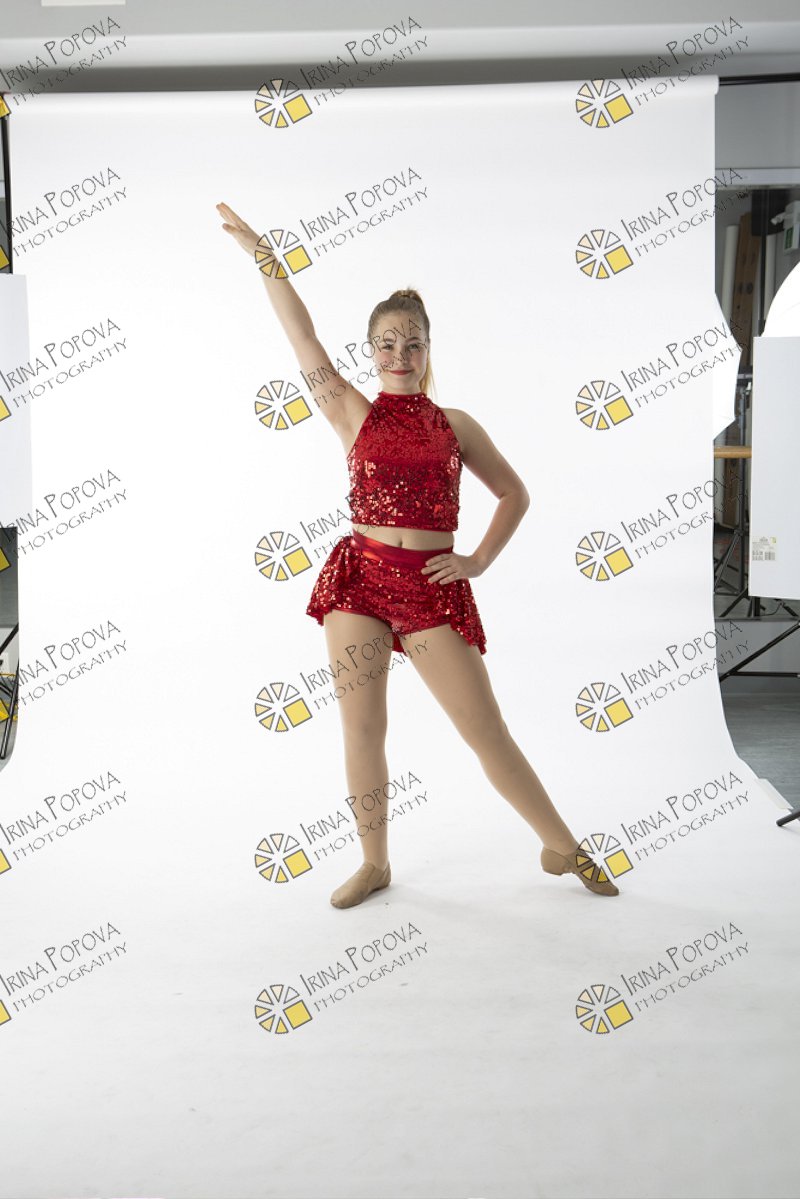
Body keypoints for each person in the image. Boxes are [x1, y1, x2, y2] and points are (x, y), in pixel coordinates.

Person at [217, 201, 620, 906]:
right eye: (386, 344)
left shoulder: (455, 425)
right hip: (360, 581)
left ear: (429, 350)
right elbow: (301, 334)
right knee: (363, 728)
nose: (399, 356)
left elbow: (514, 494)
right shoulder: (350, 411)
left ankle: (562, 845)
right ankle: (374, 862)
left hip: (431, 586)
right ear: (370, 351)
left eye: (413, 344)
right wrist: (267, 262)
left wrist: (478, 561)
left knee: (484, 730)